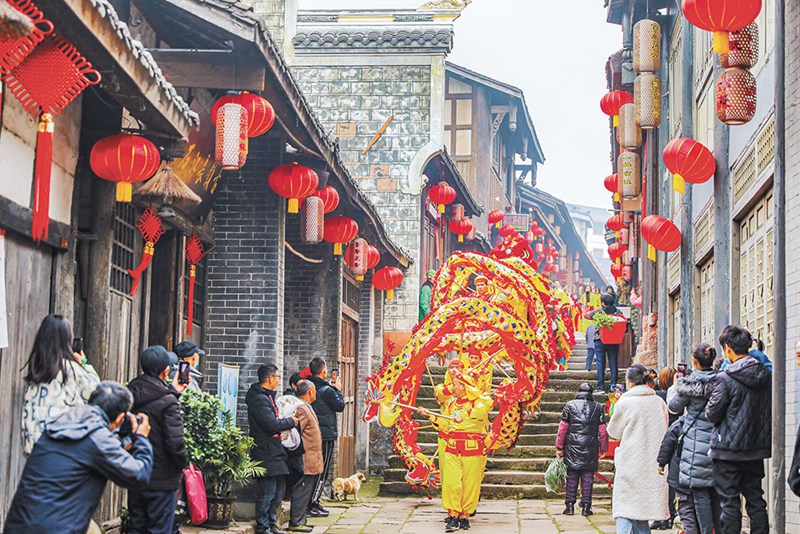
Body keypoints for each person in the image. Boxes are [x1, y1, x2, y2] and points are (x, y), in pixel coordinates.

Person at [4, 382, 153, 534]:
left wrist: (118, 444)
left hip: (18, 525)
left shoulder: (59, 424)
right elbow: (139, 475)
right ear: (120, 417)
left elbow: (80, 455)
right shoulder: (97, 438)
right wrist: (141, 438)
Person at [705, 325, 771, 534]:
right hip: (755, 448)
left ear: (728, 349)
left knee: (729, 502)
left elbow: (712, 413)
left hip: (727, 451)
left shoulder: (725, 378)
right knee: (756, 499)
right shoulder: (764, 375)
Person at [127, 346, 189, 534]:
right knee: (159, 529)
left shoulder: (130, 394)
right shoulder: (168, 402)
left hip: (136, 473)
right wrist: (182, 463)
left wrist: (173, 392)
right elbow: (175, 442)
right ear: (165, 370)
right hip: (162, 478)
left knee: (137, 527)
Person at [418, 376, 492, 532]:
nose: (452, 387)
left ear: (465, 387)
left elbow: (480, 412)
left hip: (472, 450)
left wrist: (463, 416)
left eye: (456, 385)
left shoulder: (479, 402)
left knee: (470, 484)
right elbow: (446, 424)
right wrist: (430, 415)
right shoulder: (451, 404)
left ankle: (465, 515)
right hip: (452, 448)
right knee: (452, 483)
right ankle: (453, 515)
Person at [21, 314, 101, 455]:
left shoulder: (36, 369)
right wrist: (83, 363)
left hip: (33, 450)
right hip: (59, 451)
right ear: (67, 340)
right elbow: (96, 391)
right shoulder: (71, 370)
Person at [607, 364, 669, 534]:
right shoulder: (659, 402)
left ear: (630, 382)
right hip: (652, 462)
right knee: (641, 512)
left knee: (624, 508)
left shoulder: (625, 402)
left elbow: (613, 431)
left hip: (630, 460)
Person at [667, 343, 720, 534]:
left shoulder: (689, 384)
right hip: (718, 441)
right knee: (716, 492)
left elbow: (673, 407)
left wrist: (676, 386)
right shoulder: (721, 381)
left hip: (695, 445)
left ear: (694, 361)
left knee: (699, 493)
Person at [247, 364, 299, 534]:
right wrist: (290, 422)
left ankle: (271, 523)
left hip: (275, 451)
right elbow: (270, 424)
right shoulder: (259, 399)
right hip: (265, 450)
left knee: (278, 491)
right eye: (277, 377)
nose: (278, 380)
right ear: (269, 378)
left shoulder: (267, 397)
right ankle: (262, 526)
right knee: (267, 491)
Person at [555, 383, 608, 517]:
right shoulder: (597, 407)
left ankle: (570, 506)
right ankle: (586, 506)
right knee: (588, 477)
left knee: (572, 476)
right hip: (590, 446)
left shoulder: (570, 405)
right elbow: (602, 430)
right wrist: (603, 448)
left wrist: (559, 447)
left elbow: (562, 428)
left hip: (572, 446)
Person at [307, 357, 344, 517]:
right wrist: (338, 389)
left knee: (313, 469)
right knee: (322, 470)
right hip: (326, 434)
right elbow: (340, 406)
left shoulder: (308, 386)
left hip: (311, 433)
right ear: (324, 372)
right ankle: (313, 503)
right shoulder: (328, 390)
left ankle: (313, 502)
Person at [288, 380, 323, 533]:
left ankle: (301, 519)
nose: (315, 393)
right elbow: (295, 433)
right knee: (301, 489)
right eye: (314, 391)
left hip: (312, 456)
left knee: (306, 489)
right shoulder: (301, 408)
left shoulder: (306, 406)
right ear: (309, 391)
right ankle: (296, 520)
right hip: (305, 456)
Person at [657, 417, 698, 534]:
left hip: (679, 474)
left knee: (685, 508)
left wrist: (662, 462)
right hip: (702, 476)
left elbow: (667, 443)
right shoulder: (710, 423)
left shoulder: (679, 424)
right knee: (700, 508)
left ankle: (690, 531)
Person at [587, 293, 621, 392]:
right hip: (614, 341)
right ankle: (613, 386)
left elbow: (587, 315)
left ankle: (600, 387)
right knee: (613, 364)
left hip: (600, 340)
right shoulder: (618, 312)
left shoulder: (599, 312)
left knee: (600, 363)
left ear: (602, 303)